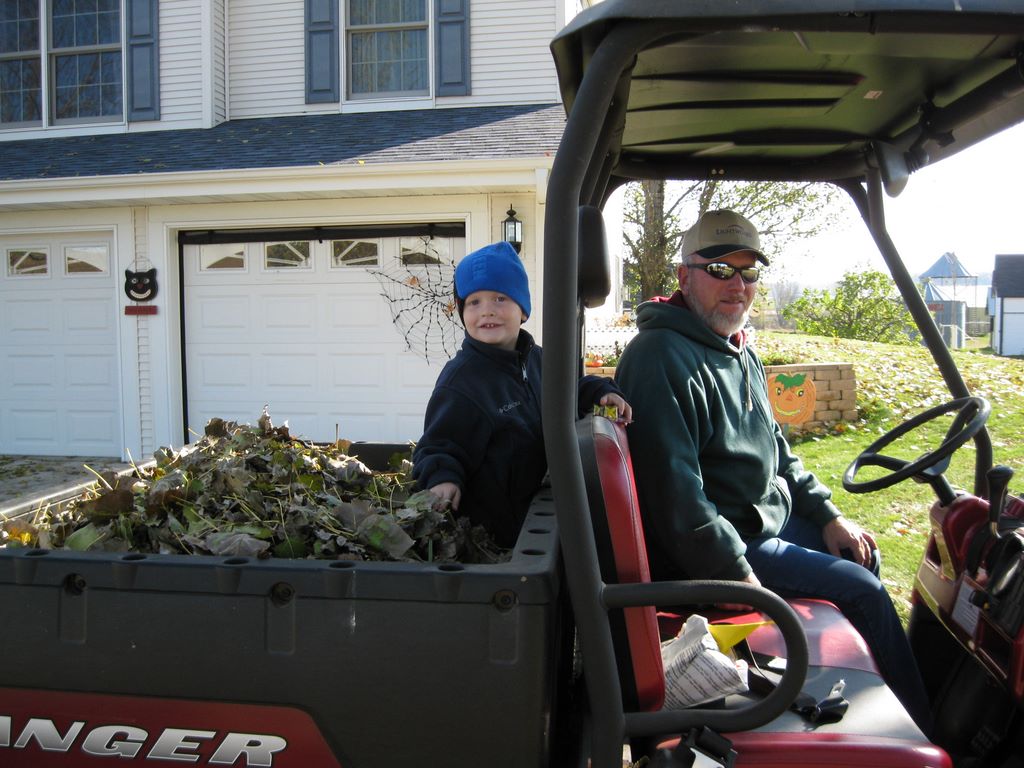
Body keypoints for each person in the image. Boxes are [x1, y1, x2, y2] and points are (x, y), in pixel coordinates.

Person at [614, 210, 932, 733]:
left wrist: (828, 516)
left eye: (748, 272)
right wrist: (736, 576)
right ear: (683, 276)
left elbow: (779, 450)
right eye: (719, 270)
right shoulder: (660, 358)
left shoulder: (739, 350)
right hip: (729, 544)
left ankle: (871, 705)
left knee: (859, 552)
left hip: (768, 521)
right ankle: (921, 735)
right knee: (865, 591)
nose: (736, 285)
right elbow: (678, 501)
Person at [413, 241, 631, 548]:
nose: (487, 310)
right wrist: (442, 478)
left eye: (500, 298)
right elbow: (438, 446)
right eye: (473, 302)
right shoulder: (461, 383)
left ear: (523, 310)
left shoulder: (538, 359)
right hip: (497, 540)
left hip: (544, 516)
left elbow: (572, 389)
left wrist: (601, 391)